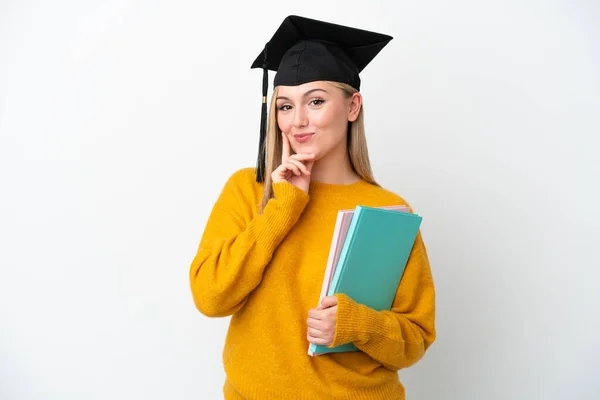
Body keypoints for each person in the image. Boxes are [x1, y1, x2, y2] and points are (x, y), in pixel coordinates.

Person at [189, 15, 436, 400]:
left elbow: (415, 339)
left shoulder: (386, 209)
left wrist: (356, 324)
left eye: (316, 101)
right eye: (285, 106)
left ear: (352, 106)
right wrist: (284, 206)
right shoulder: (249, 189)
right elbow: (211, 297)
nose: (297, 121)